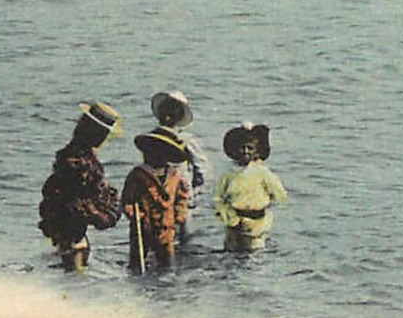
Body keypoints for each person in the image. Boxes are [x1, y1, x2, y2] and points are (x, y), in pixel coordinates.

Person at [38, 102, 124, 272]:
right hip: (75, 233)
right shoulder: (83, 164)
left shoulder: (69, 155)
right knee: (77, 273)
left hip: (64, 228)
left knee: (69, 272)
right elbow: (87, 199)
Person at [213, 123, 287, 252]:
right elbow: (217, 198)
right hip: (234, 221)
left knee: (255, 256)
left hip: (256, 222)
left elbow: (280, 195)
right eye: (242, 148)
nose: (246, 151)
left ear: (256, 150)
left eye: (250, 148)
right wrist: (230, 217)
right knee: (231, 255)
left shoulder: (262, 172)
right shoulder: (228, 173)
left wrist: (265, 206)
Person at [121, 130, 188, 273]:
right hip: (143, 226)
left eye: (160, 151)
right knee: (137, 261)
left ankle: (165, 287)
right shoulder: (138, 174)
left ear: (167, 154)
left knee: (167, 262)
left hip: (166, 227)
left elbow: (181, 197)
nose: (153, 154)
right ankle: (137, 285)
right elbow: (127, 199)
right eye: (150, 150)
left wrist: (180, 214)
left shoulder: (174, 175)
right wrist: (133, 212)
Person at [149, 91, 211, 243]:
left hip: (182, 196)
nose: (167, 117)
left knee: (185, 237)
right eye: (165, 112)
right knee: (161, 236)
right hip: (158, 195)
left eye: (172, 113)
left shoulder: (186, 140)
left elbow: (202, 168)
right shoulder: (152, 137)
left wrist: (194, 192)